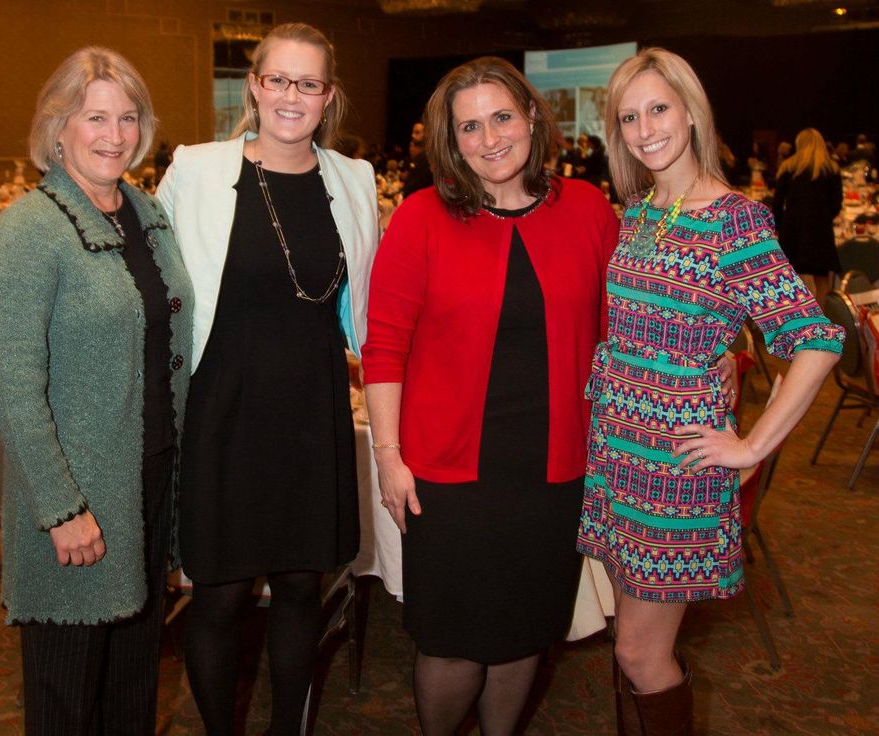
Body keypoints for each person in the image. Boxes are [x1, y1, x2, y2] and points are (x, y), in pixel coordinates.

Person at [576, 48, 844, 735]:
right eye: (629, 117)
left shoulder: (735, 219)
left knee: (640, 653)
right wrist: (718, 346)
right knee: (627, 643)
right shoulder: (639, 211)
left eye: (658, 109)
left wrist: (751, 446)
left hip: (675, 467)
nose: (645, 130)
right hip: (619, 454)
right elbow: (679, 310)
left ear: (691, 113)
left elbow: (816, 340)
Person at [362, 56, 620, 735]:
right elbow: (384, 347)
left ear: (532, 116)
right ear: (452, 140)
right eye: (469, 126)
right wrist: (387, 455)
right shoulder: (421, 218)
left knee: (525, 632)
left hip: (553, 468)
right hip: (448, 474)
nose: (490, 138)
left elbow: (622, 326)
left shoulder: (587, 209)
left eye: (501, 116)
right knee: (450, 640)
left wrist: (706, 361)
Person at [155, 22, 378, 735]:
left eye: (308, 83)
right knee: (218, 598)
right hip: (223, 412)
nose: (291, 95)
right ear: (254, 86)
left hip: (313, 415)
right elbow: (153, 289)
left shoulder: (355, 180)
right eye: (277, 79)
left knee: (300, 590)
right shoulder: (195, 170)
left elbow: (370, 304)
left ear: (328, 96)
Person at [0, 47, 193, 735]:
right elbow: (12, 387)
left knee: (132, 683)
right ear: (58, 126)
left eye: (128, 117)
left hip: (148, 480)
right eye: (95, 117)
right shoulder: (28, 229)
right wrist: (61, 508)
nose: (114, 134)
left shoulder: (146, 213)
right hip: (76, 499)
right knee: (67, 697)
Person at [773, 128, 844, 303]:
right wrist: (824, 218)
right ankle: (821, 317)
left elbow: (777, 203)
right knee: (822, 280)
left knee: (790, 278)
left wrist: (779, 227)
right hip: (820, 230)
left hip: (792, 228)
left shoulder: (788, 167)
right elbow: (836, 204)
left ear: (799, 144)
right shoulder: (832, 169)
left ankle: (793, 315)